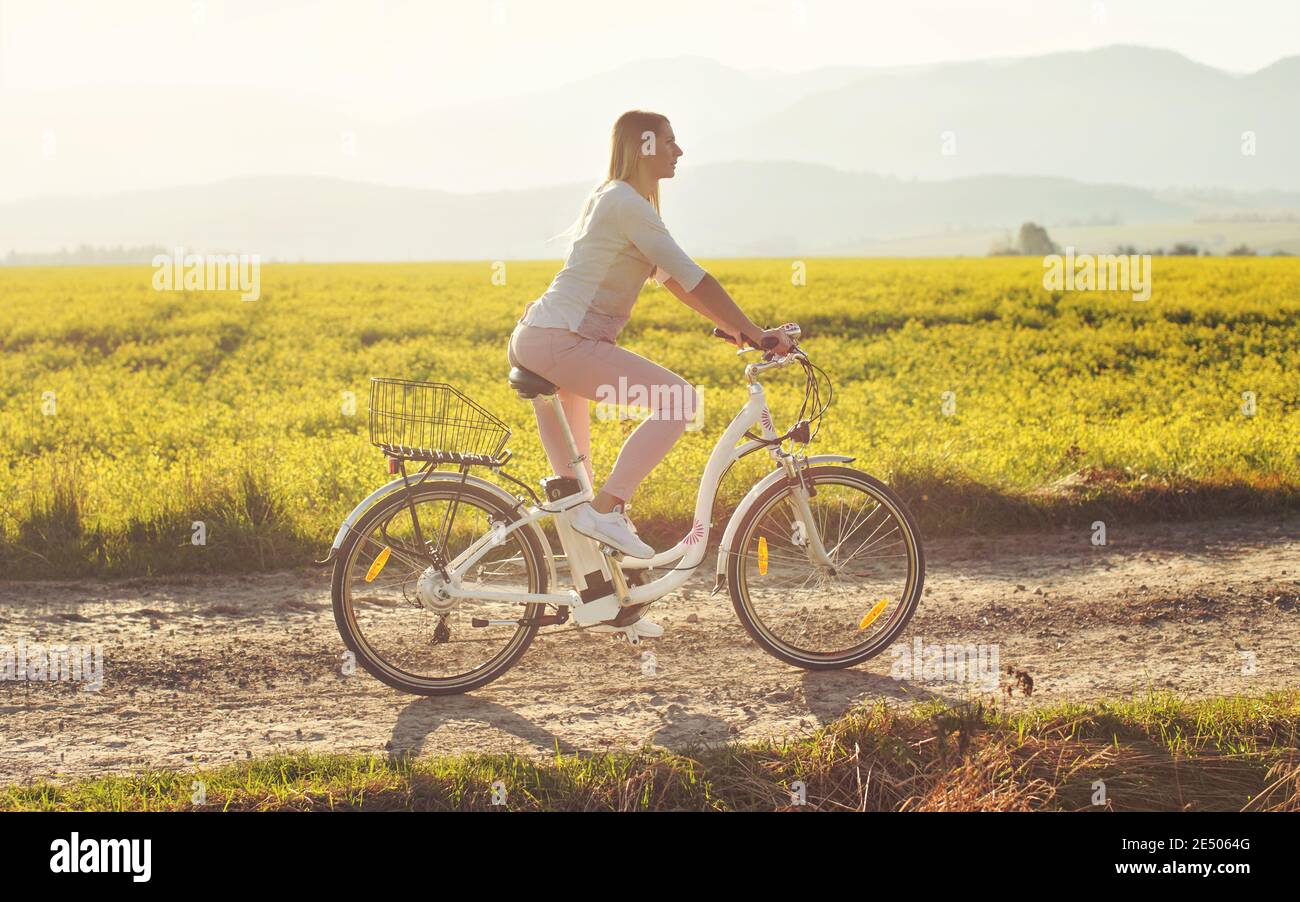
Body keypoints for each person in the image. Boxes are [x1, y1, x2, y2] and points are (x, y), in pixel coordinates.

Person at [507, 109, 794, 571]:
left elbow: (673, 281)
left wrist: (739, 330)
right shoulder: (627, 204)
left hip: (546, 340)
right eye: (669, 141)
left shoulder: (618, 200)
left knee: (579, 498)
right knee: (679, 400)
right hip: (561, 342)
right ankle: (611, 509)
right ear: (644, 147)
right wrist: (758, 334)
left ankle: (607, 598)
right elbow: (694, 277)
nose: (678, 151)